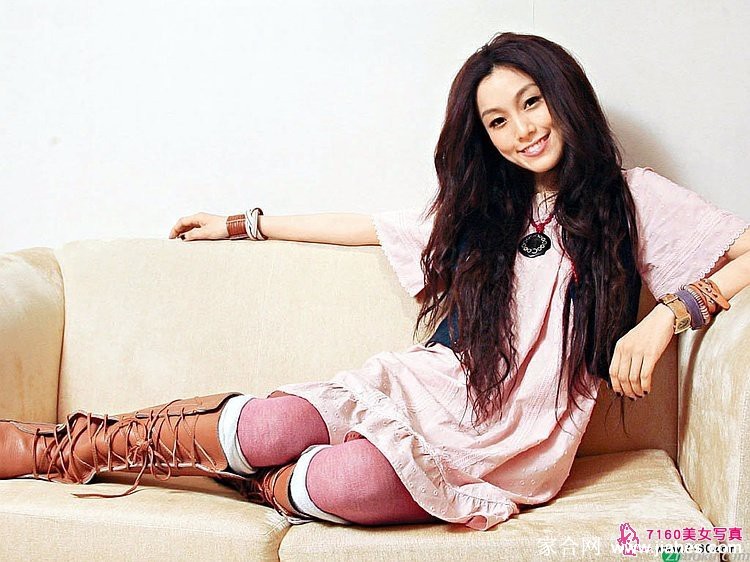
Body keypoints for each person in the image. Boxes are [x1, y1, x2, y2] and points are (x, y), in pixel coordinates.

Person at [1, 32, 749, 531]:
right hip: (434, 386)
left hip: (518, 441)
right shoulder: (485, 213)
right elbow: (365, 226)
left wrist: (670, 314)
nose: (522, 129)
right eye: (497, 121)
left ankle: (250, 482)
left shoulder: (633, 198)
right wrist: (244, 222)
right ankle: (62, 450)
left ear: (566, 96)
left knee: (348, 482)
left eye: (531, 102)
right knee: (271, 428)